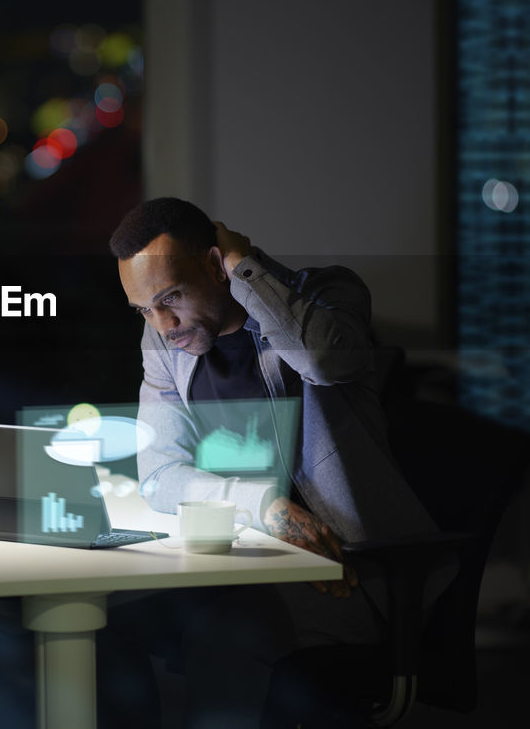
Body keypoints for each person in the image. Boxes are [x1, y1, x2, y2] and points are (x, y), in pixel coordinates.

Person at [101, 197, 442, 728]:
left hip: (348, 571)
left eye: (171, 297)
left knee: (221, 639)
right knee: (103, 626)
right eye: (144, 309)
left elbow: (327, 362)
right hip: (237, 564)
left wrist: (244, 264)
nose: (162, 324)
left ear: (216, 265)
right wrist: (262, 506)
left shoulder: (328, 296)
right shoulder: (163, 339)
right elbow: (160, 472)